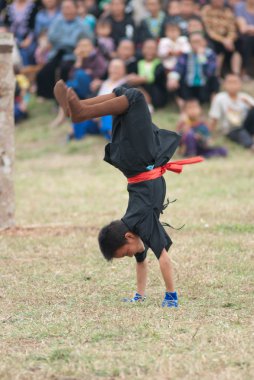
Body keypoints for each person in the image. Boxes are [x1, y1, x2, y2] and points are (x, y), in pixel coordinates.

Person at [54, 81, 203, 307]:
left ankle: (81, 111)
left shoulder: (142, 223)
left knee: (135, 97)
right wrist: (139, 296)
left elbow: (164, 258)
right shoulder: (131, 223)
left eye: (125, 254)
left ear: (128, 237)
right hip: (129, 161)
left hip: (139, 160)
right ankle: (78, 109)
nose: (130, 256)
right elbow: (142, 262)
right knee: (122, 94)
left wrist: (171, 296)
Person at [36, 0, 92, 99]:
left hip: (74, 55)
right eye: (64, 8)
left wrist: (65, 42)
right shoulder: (57, 21)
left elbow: (88, 42)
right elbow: (51, 38)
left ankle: (64, 98)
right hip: (57, 53)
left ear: (76, 9)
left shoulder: (83, 24)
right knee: (45, 72)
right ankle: (49, 96)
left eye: (69, 8)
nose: (67, 11)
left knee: (64, 70)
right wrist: (67, 41)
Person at [168, 32, 219, 106]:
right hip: (189, 85)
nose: (196, 44)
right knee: (172, 78)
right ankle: (182, 104)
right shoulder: (186, 55)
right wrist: (173, 78)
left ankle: (213, 102)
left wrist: (201, 56)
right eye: (194, 42)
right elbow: (178, 68)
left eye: (199, 41)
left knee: (215, 79)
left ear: (204, 42)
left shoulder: (210, 54)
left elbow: (209, 72)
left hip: (204, 86)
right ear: (189, 43)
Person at [209, 73, 254, 150]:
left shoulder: (245, 97)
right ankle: (251, 146)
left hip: (246, 126)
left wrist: (249, 105)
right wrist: (210, 136)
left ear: (240, 84)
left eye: (235, 82)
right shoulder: (220, 98)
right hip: (230, 129)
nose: (232, 85)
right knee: (240, 133)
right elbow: (214, 119)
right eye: (230, 82)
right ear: (224, 84)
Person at [201, 0, 241, 76]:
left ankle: (236, 74)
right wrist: (223, 40)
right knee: (217, 47)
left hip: (227, 38)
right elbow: (209, 30)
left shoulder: (227, 11)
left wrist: (229, 39)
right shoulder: (206, 10)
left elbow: (232, 28)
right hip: (214, 37)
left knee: (239, 44)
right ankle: (216, 74)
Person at [127, 39, 168, 110]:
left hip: (155, 92)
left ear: (157, 51)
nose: (150, 51)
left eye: (153, 49)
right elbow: (131, 75)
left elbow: (154, 77)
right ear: (142, 49)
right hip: (141, 89)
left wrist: (141, 79)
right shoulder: (139, 62)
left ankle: (148, 104)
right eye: (147, 48)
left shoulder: (159, 64)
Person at [235, 0, 254, 78]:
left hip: (249, 35)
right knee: (247, 42)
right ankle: (245, 72)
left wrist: (249, 28)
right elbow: (242, 28)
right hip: (244, 37)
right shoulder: (240, 6)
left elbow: (246, 27)